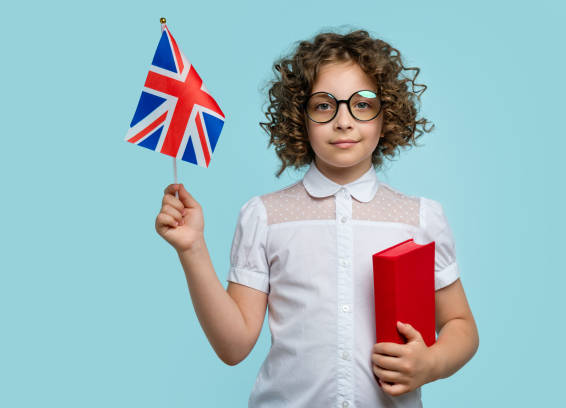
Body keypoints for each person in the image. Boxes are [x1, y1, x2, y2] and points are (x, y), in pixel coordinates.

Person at [155, 29, 479, 407]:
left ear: (385, 113)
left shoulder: (420, 217)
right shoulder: (264, 216)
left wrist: (433, 362)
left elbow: (461, 325)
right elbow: (234, 345)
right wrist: (192, 248)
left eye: (363, 104)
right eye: (324, 105)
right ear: (300, 117)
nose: (344, 121)